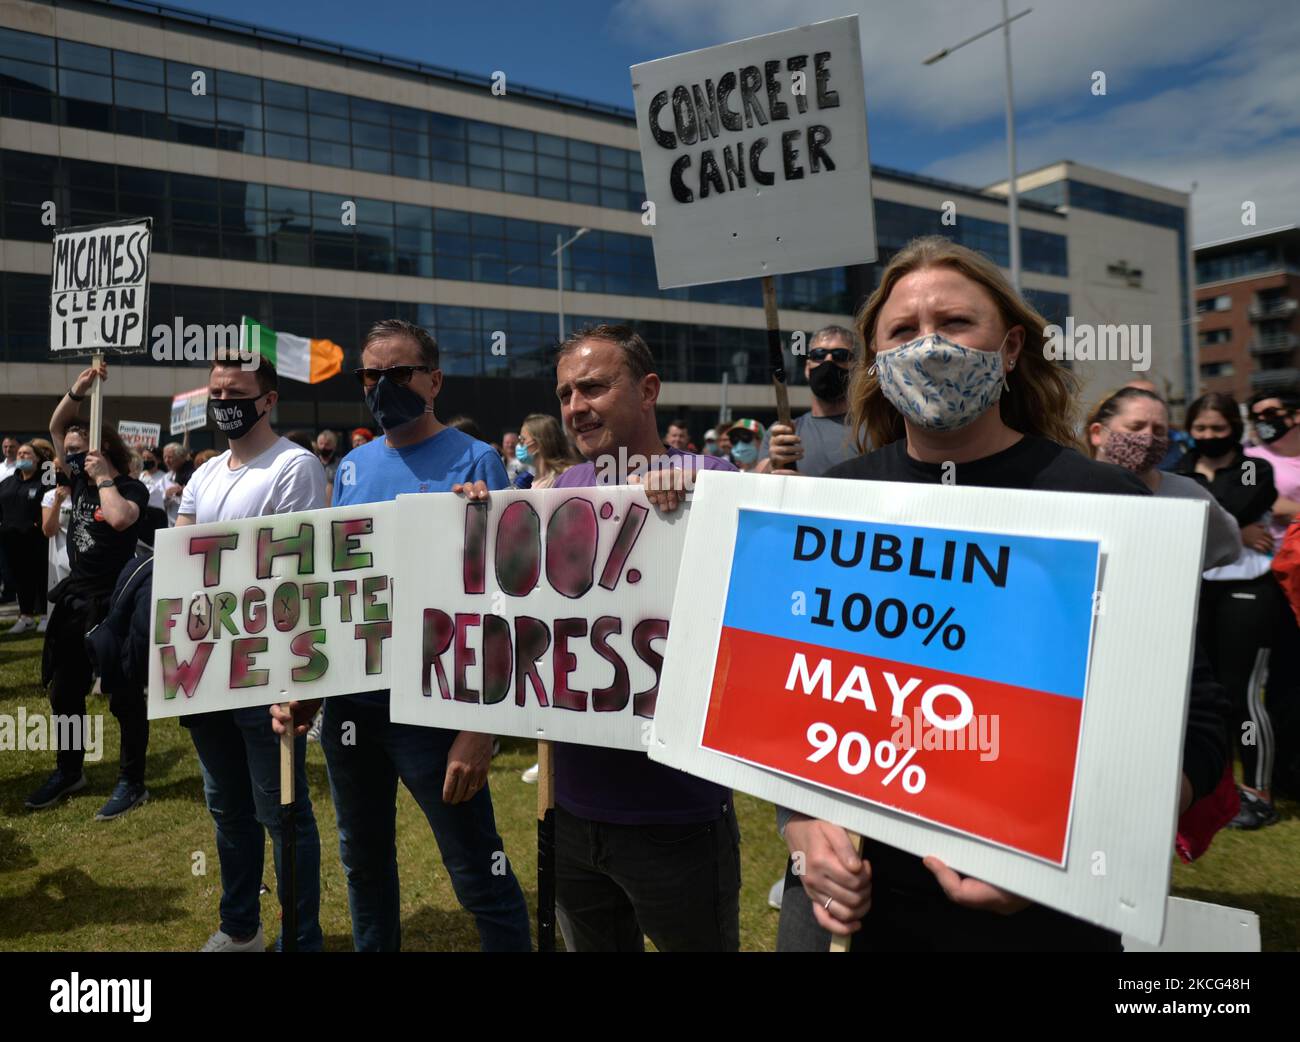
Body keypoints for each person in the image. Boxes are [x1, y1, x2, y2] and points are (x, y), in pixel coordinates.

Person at [778, 236, 1226, 952]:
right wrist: (804, 826)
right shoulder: (835, 503)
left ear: (1011, 347)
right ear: (879, 359)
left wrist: (1079, 851)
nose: (928, 346)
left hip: (1053, 913)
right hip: (873, 909)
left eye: (954, 323)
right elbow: (791, 699)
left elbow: (1197, 719)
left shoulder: (1106, 500)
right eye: (902, 330)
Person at [271, 318, 531, 952]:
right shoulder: (353, 467)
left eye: (397, 374)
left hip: (437, 703)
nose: (382, 386)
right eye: (370, 376)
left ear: (433, 380)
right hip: (353, 701)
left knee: (475, 867)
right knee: (362, 861)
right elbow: (337, 586)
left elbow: (508, 595)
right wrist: (308, 685)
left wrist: (481, 727)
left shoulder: (478, 460)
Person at [541, 323, 741, 952]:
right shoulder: (557, 495)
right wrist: (479, 517)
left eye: (594, 387)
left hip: (675, 816)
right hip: (571, 812)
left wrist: (694, 484)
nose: (576, 406)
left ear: (648, 390)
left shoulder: (709, 475)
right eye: (567, 393)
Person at [177, 352, 328, 952]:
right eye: (216, 391)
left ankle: (300, 937)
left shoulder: (294, 466)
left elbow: (301, 567)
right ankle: (241, 927)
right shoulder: (206, 472)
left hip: (266, 669)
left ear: (268, 400)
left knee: (282, 813)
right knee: (226, 809)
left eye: (235, 391)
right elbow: (185, 552)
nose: (222, 401)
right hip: (206, 663)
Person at [28, 363, 151, 820]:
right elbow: (56, 425)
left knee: (121, 695)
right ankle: (69, 768)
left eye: (81, 451)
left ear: (104, 451)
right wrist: (77, 389)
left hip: (114, 600)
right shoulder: (76, 478)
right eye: (71, 453)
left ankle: (131, 780)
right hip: (76, 598)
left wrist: (102, 478)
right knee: (65, 691)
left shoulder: (128, 487)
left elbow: (120, 520)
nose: (71, 457)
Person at [1175, 393, 1281, 829]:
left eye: (1218, 429)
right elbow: (1196, 514)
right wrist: (1236, 525)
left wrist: (1220, 510)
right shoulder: (1180, 467)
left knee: (1242, 693)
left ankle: (1258, 791)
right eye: (1200, 429)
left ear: (1233, 430)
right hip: (1197, 589)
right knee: (1203, 693)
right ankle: (1212, 786)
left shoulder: (1256, 465)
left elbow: (1230, 507)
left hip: (1249, 591)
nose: (1209, 437)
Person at [1087, 387, 1242, 569]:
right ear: (1098, 433)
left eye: (1159, 431)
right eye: (1135, 427)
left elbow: (1226, 548)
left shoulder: (1188, 494)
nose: (1148, 437)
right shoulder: (1069, 487)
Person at [1246, 390, 1300, 799]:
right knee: (1281, 679)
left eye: (1271, 412)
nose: (1262, 420)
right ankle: (1283, 770)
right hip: (1271, 575)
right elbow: (1256, 501)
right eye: (1257, 414)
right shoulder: (1252, 458)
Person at [761, 324, 861, 475]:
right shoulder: (783, 432)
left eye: (840, 355)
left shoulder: (874, 429)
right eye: (819, 354)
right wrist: (772, 466)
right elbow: (756, 481)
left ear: (855, 369)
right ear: (808, 369)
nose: (828, 361)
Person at [0, 442, 50, 635]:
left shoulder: (45, 482)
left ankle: (45, 616)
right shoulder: (7, 483)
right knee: (20, 579)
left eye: (27, 454)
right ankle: (26, 617)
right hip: (11, 541)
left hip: (37, 540)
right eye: (20, 453)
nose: (22, 456)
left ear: (37, 459)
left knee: (40, 577)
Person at [40, 428, 83, 634]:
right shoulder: (50, 496)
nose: (59, 473)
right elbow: (48, 530)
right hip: (60, 556)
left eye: (62, 469)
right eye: (55, 470)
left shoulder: (84, 492)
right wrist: (57, 502)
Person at [511, 413, 580, 492]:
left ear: (540, 442)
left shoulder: (569, 475)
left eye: (523, 439)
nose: (519, 444)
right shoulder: (531, 482)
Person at [0, 434, 18, 602]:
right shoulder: (0, 468)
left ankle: (13, 592)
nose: (8, 450)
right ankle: (7, 592)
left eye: (11, 447)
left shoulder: (22, 468)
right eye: (5, 447)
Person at [136, 445, 168, 530]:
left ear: (158, 460)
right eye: (144, 458)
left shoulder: (165, 477)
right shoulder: (139, 475)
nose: (146, 460)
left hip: (156, 517)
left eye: (149, 458)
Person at [161, 442, 193, 527]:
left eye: (170, 457)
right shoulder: (165, 478)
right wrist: (166, 495)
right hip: (171, 524)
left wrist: (183, 493)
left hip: (189, 524)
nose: (167, 460)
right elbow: (158, 502)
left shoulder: (192, 475)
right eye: (165, 457)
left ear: (181, 458)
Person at [315, 429, 339, 505]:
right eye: (321, 444)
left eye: (327, 444)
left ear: (334, 445)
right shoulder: (313, 462)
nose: (323, 447)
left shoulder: (341, 464)